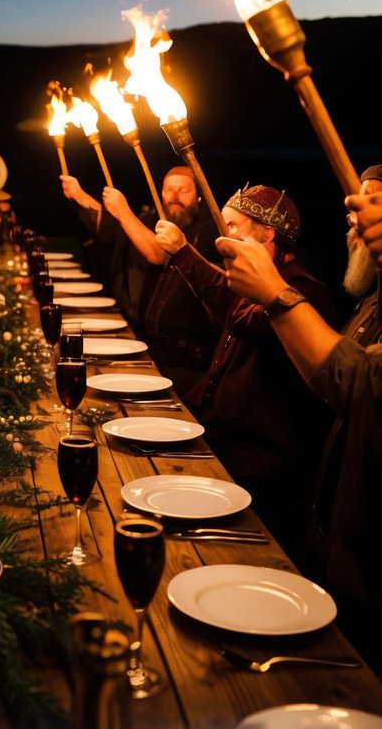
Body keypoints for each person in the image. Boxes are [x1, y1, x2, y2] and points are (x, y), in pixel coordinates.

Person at [217, 165, 382, 674]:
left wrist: (273, 294)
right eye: (357, 209)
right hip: (329, 532)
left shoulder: (306, 289)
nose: (354, 222)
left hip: (364, 559)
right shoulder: (369, 303)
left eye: (373, 207)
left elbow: (361, 386)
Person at [155, 183, 341, 561]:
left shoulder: (305, 295)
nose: (224, 237)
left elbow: (244, 316)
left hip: (259, 477)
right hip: (217, 447)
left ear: (267, 233)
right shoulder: (254, 284)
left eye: (234, 226)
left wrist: (183, 253)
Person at [60, 166, 218, 393]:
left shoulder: (209, 229)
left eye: (183, 190)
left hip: (186, 362)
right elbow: (111, 229)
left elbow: (159, 253)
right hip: (143, 343)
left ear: (199, 195)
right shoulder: (151, 217)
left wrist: (124, 211)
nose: (174, 196)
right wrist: (78, 194)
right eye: (168, 190)